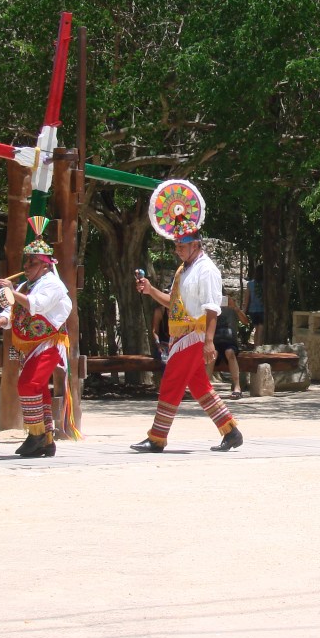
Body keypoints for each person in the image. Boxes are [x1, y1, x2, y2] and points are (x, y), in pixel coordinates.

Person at [131, 188, 243, 453]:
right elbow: (173, 302)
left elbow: (212, 309)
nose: (177, 249)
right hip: (182, 335)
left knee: (171, 382)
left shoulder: (207, 270)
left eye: (182, 245)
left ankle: (157, 437)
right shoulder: (185, 269)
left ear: (196, 244)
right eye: (176, 245)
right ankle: (230, 430)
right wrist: (149, 290)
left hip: (194, 335)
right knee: (199, 386)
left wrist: (208, 342)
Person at [0, 217, 73, 458]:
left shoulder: (53, 285)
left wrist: (12, 292)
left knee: (29, 384)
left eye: (33, 262)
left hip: (49, 343)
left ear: (45, 265)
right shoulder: (26, 285)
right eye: (27, 261)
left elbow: (37, 306)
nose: (27, 265)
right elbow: (13, 311)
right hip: (32, 345)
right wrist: (1, 320)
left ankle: (35, 435)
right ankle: (45, 439)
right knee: (38, 389)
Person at [208, 293, 249, 399]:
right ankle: (206, 388)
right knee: (213, 354)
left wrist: (235, 307)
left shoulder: (233, 309)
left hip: (230, 342)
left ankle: (237, 387)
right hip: (214, 342)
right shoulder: (211, 308)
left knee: (229, 352)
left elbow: (245, 322)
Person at [242, 264, 264, 346]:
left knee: (257, 329)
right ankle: (258, 348)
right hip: (262, 310)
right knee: (261, 330)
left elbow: (247, 299)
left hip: (253, 310)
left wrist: (244, 311)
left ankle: (256, 348)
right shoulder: (266, 284)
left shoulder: (250, 284)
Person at [151, 303, 170, 370]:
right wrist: (158, 344)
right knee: (165, 360)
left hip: (177, 344)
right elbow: (155, 331)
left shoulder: (181, 311)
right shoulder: (160, 311)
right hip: (163, 345)